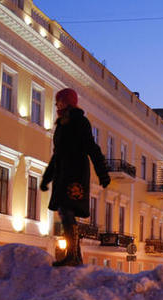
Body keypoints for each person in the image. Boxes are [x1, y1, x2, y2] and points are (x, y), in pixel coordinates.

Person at [41, 88, 110, 266]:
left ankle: (72, 255)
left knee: (67, 210)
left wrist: (102, 173)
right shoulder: (62, 125)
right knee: (64, 211)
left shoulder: (79, 121)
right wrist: (47, 178)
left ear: (68, 102)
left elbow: (91, 147)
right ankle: (75, 255)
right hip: (63, 173)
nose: (57, 105)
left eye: (60, 101)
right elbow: (57, 155)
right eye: (56, 102)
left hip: (75, 174)